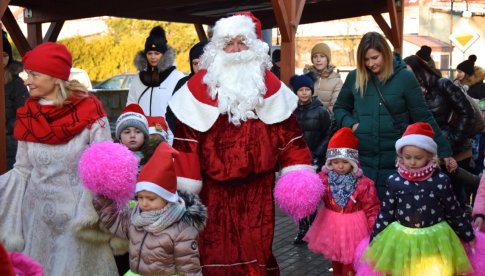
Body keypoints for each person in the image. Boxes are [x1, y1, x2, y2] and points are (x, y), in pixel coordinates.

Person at [168, 12, 317, 275]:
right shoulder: (195, 91)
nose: (236, 50)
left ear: (255, 47)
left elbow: (291, 139)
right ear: (217, 50)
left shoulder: (270, 89)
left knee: (256, 256)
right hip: (211, 195)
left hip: (257, 193)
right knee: (213, 257)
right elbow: (185, 145)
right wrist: (186, 194)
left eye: (242, 42)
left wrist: (298, 178)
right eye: (228, 43)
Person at [0, 42, 117, 275]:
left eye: (33, 74)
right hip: (37, 221)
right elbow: (22, 170)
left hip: (78, 221)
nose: (27, 80)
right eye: (26, 74)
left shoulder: (90, 111)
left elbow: (106, 168)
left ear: (54, 77)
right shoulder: (28, 115)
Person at [333, 32, 455, 199]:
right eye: (366, 60)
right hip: (363, 159)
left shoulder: (405, 77)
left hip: (396, 159)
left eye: (374, 58)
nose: (370, 64)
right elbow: (340, 107)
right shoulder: (355, 77)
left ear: (385, 53)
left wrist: (444, 150)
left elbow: (423, 116)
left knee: (393, 214)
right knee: (364, 214)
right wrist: (353, 125)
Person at [362, 122, 475, 275]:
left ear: (430, 156)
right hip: (403, 240)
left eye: (418, 157)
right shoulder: (394, 181)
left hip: (435, 239)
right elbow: (386, 212)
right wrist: (375, 239)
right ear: (401, 156)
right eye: (407, 157)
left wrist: (468, 234)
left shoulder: (440, 181)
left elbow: (453, 210)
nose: (412, 162)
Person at [93, 142, 207, 276]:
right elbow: (115, 221)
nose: (144, 203)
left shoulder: (181, 228)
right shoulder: (136, 217)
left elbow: (189, 268)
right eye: (140, 197)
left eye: (151, 199)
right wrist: (102, 197)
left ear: (167, 198)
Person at [404, 54, 478, 208]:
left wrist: (452, 140)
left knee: (456, 198)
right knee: (437, 201)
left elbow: (467, 112)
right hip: (431, 155)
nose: (407, 77)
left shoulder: (442, 84)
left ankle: (462, 229)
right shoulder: (410, 95)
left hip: (457, 152)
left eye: (410, 72)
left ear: (420, 70)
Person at [304, 127, 380, 276]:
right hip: (331, 225)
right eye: (336, 162)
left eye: (345, 162)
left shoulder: (363, 183)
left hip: (356, 227)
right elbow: (312, 196)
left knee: (352, 262)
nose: (340, 166)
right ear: (330, 162)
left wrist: (374, 230)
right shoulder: (323, 180)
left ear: (353, 162)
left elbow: (372, 207)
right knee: (336, 260)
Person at [290, 74, 332, 244]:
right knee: (299, 197)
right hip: (296, 159)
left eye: (307, 89)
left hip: (315, 158)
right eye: (301, 90)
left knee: (312, 196)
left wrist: (318, 153)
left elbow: (328, 133)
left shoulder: (321, 111)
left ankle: (314, 228)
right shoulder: (291, 111)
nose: (304, 93)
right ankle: (302, 229)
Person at [126, 26, 185, 118]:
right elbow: (131, 105)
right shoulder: (138, 78)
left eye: (157, 53)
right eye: (149, 53)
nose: (153, 57)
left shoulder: (177, 77)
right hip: (143, 131)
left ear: (164, 54)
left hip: (168, 131)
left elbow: (183, 108)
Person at [166, 41, 208, 133]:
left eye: (203, 63)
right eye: (195, 64)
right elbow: (171, 113)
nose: (199, 68)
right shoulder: (183, 84)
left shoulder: (221, 84)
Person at [3, 31, 29, 170]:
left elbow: (25, 116)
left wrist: (5, 128)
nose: (1, 59)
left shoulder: (16, 84)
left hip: (10, 148)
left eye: (4, 55)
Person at [304, 42, 343, 113]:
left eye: (322, 56)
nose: (318, 60)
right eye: (315, 56)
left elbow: (334, 107)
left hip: (328, 121)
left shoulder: (337, 81)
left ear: (327, 59)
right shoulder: (306, 78)